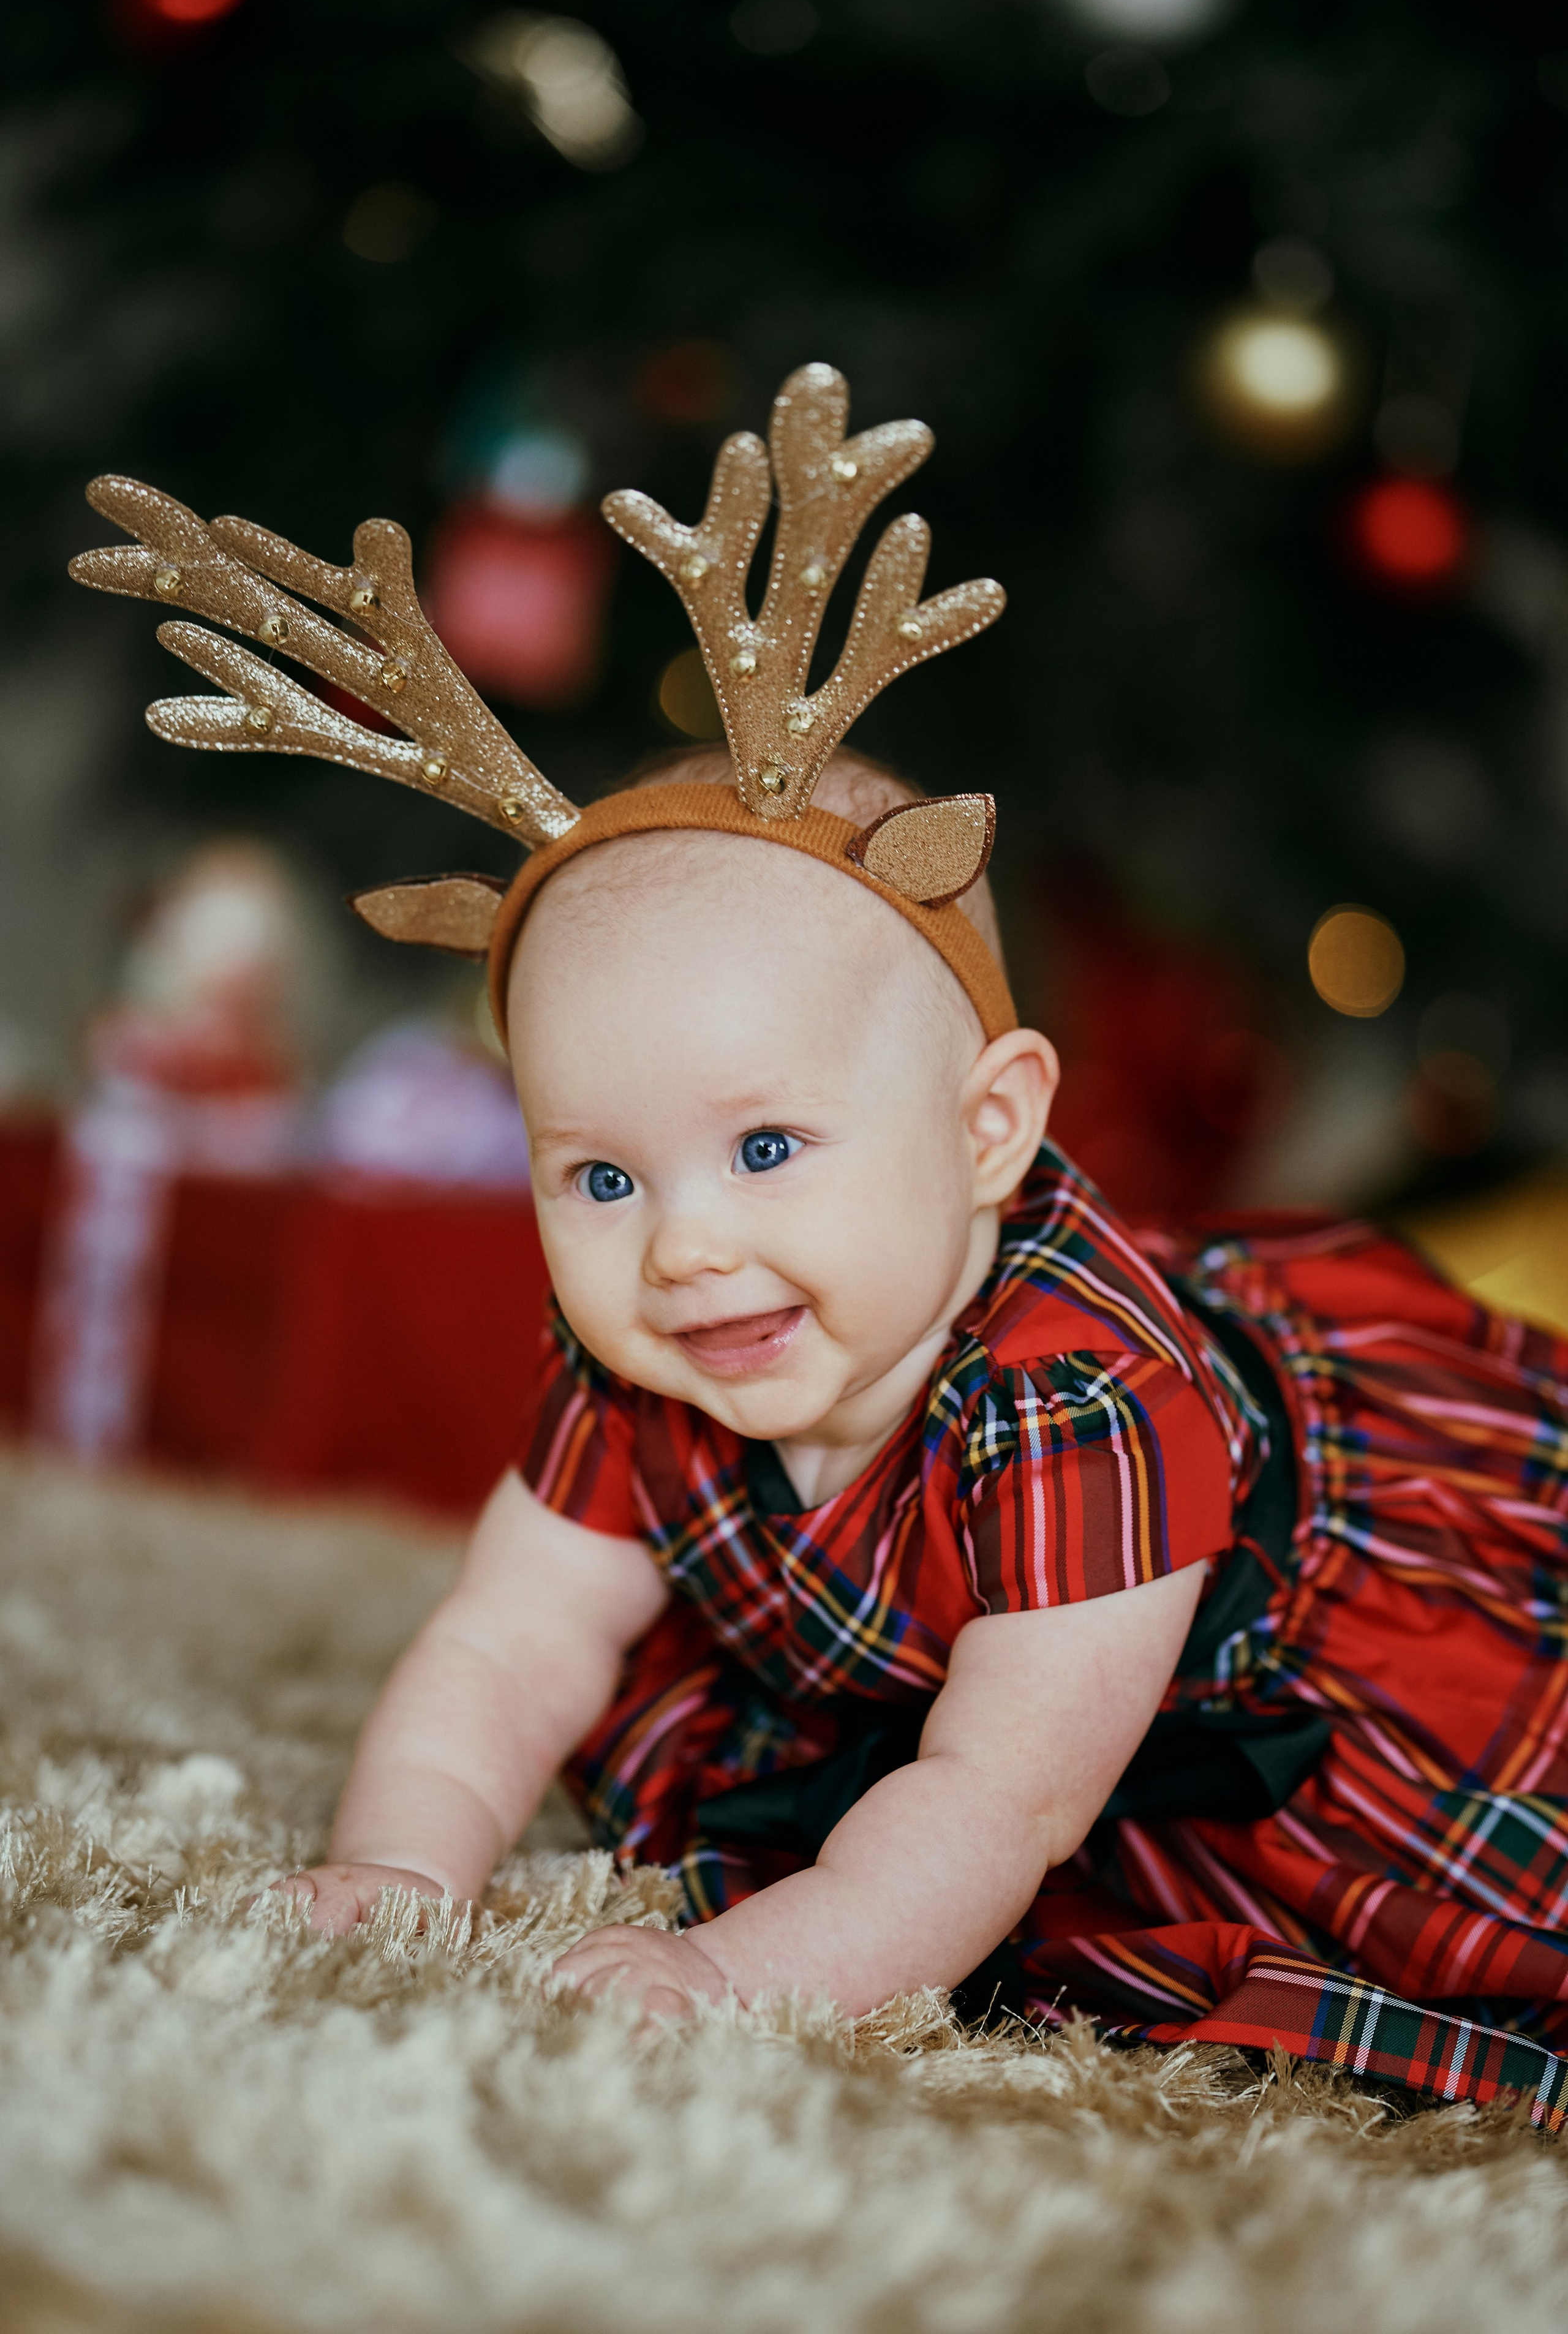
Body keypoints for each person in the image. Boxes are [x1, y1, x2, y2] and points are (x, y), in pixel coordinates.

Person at [74, 367, 1568, 2124]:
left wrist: (742, 1973)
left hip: (1216, 1654)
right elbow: (508, 1645)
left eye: (768, 1147)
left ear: (989, 1128)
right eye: (601, 1180)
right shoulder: (654, 1355)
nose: (687, 1248)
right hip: (950, 1652)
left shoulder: (1084, 1401)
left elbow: (1008, 1803)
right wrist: (401, 1866)